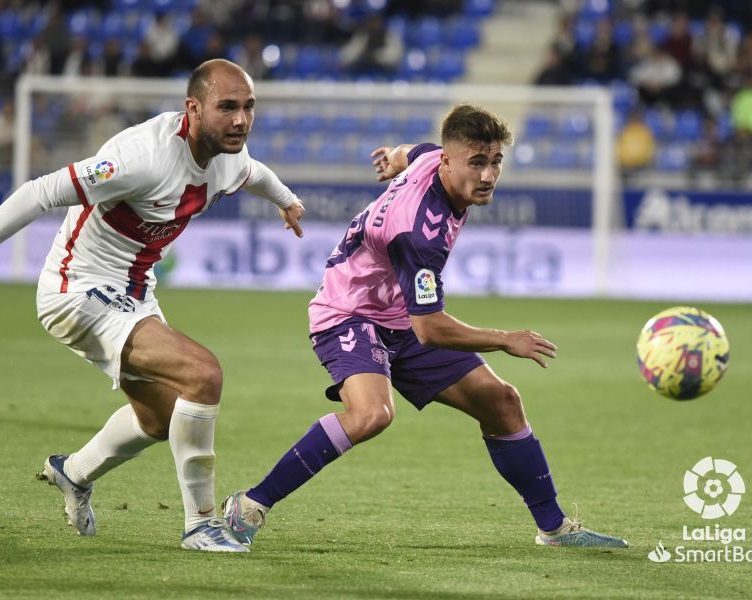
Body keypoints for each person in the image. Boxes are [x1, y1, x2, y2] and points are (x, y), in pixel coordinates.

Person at [0, 59, 306, 553]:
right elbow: (39, 192)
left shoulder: (227, 155)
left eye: (248, 108)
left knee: (162, 418)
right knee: (203, 374)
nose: (241, 120)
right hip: (77, 288)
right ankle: (201, 524)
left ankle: (72, 472)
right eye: (227, 107)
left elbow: (253, 174)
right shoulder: (141, 157)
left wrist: (286, 201)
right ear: (194, 108)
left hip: (135, 292)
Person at [222, 104, 628, 550]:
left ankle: (553, 529)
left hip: (397, 315)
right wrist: (504, 339)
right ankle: (249, 505)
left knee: (502, 401)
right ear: (450, 162)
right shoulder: (420, 233)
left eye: (495, 162)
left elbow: (409, 153)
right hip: (348, 312)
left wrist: (392, 157)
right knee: (372, 414)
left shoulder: (432, 156)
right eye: (477, 163)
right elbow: (431, 329)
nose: (489, 175)